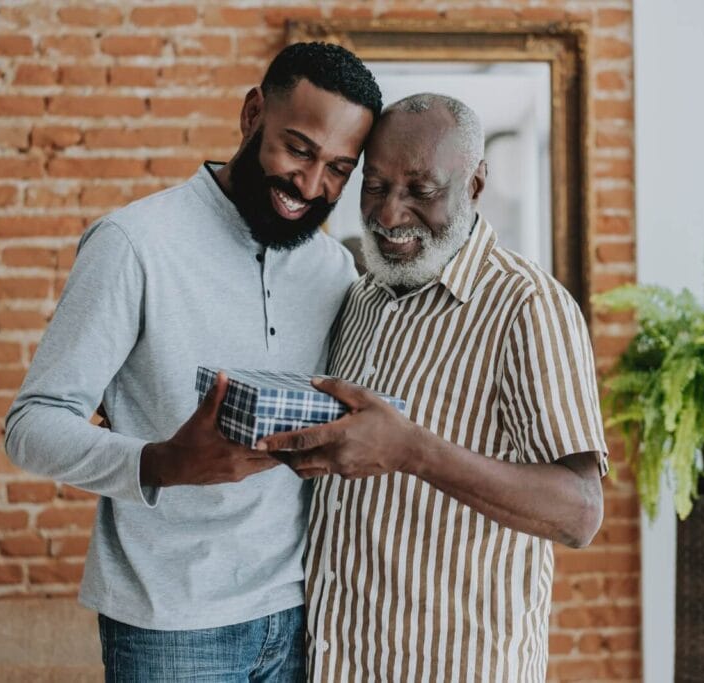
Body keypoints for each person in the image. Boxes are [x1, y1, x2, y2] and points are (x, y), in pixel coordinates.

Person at [4, 43, 381, 681]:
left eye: (339, 168)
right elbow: (30, 426)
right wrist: (159, 463)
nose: (312, 186)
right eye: (298, 149)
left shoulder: (334, 269)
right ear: (252, 113)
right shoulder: (134, 244)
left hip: (302, 612)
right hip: (168, 629)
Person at [257, 94, 609, 682]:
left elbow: (579, 512)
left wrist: (413, 451)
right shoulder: (363, 295)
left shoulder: (528, 307)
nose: (390, 215)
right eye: (376, 187)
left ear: (474, 185)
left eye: (421, 191)